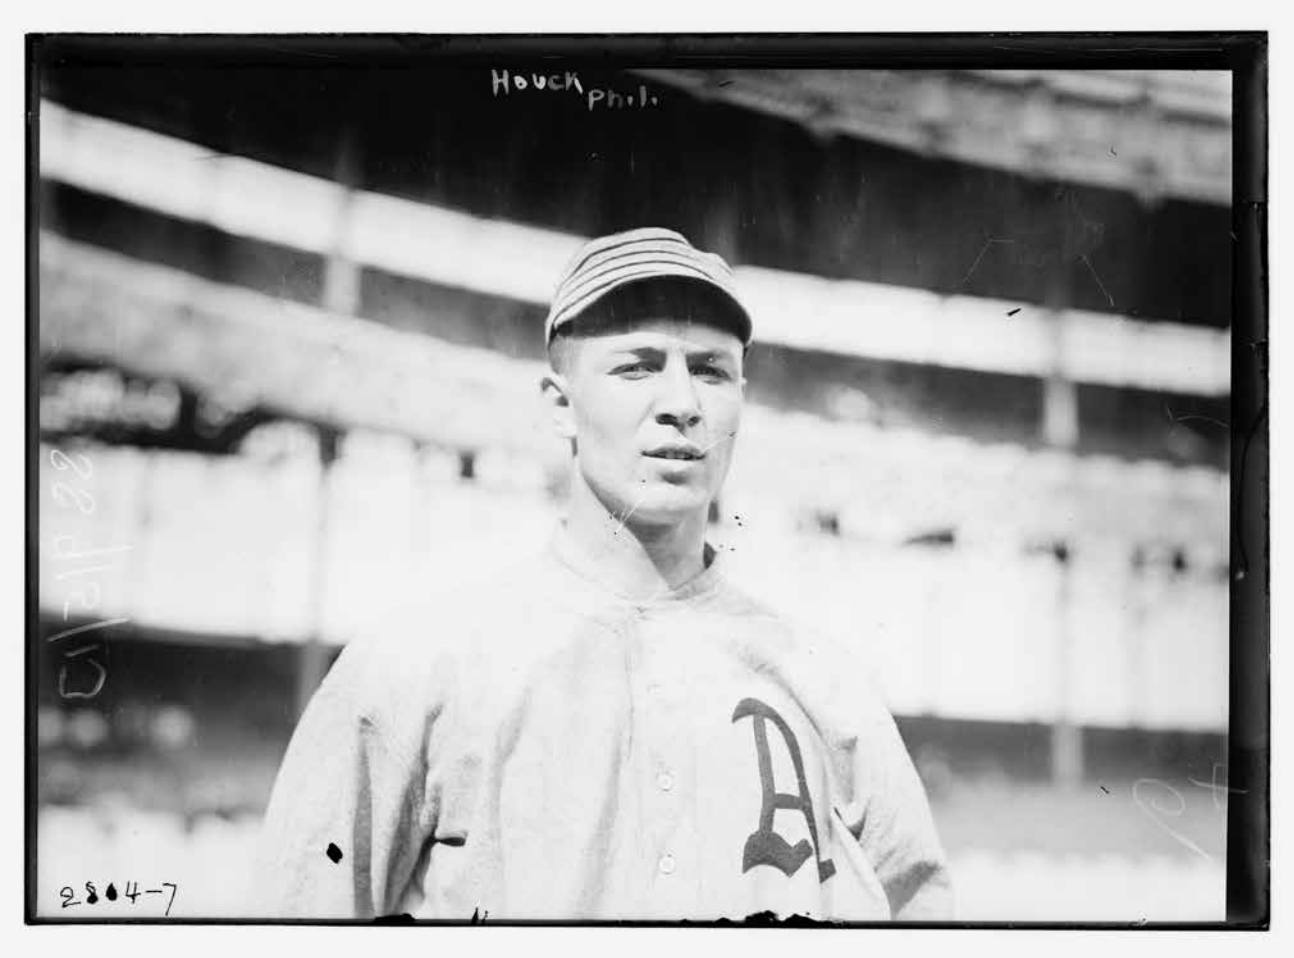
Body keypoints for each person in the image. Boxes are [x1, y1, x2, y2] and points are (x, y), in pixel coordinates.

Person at [256, 227, 953, 922]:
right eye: (638, 366)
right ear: (560, 404)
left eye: (710, 370)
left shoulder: (828, 686)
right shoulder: (414, 667)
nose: (683, 403)